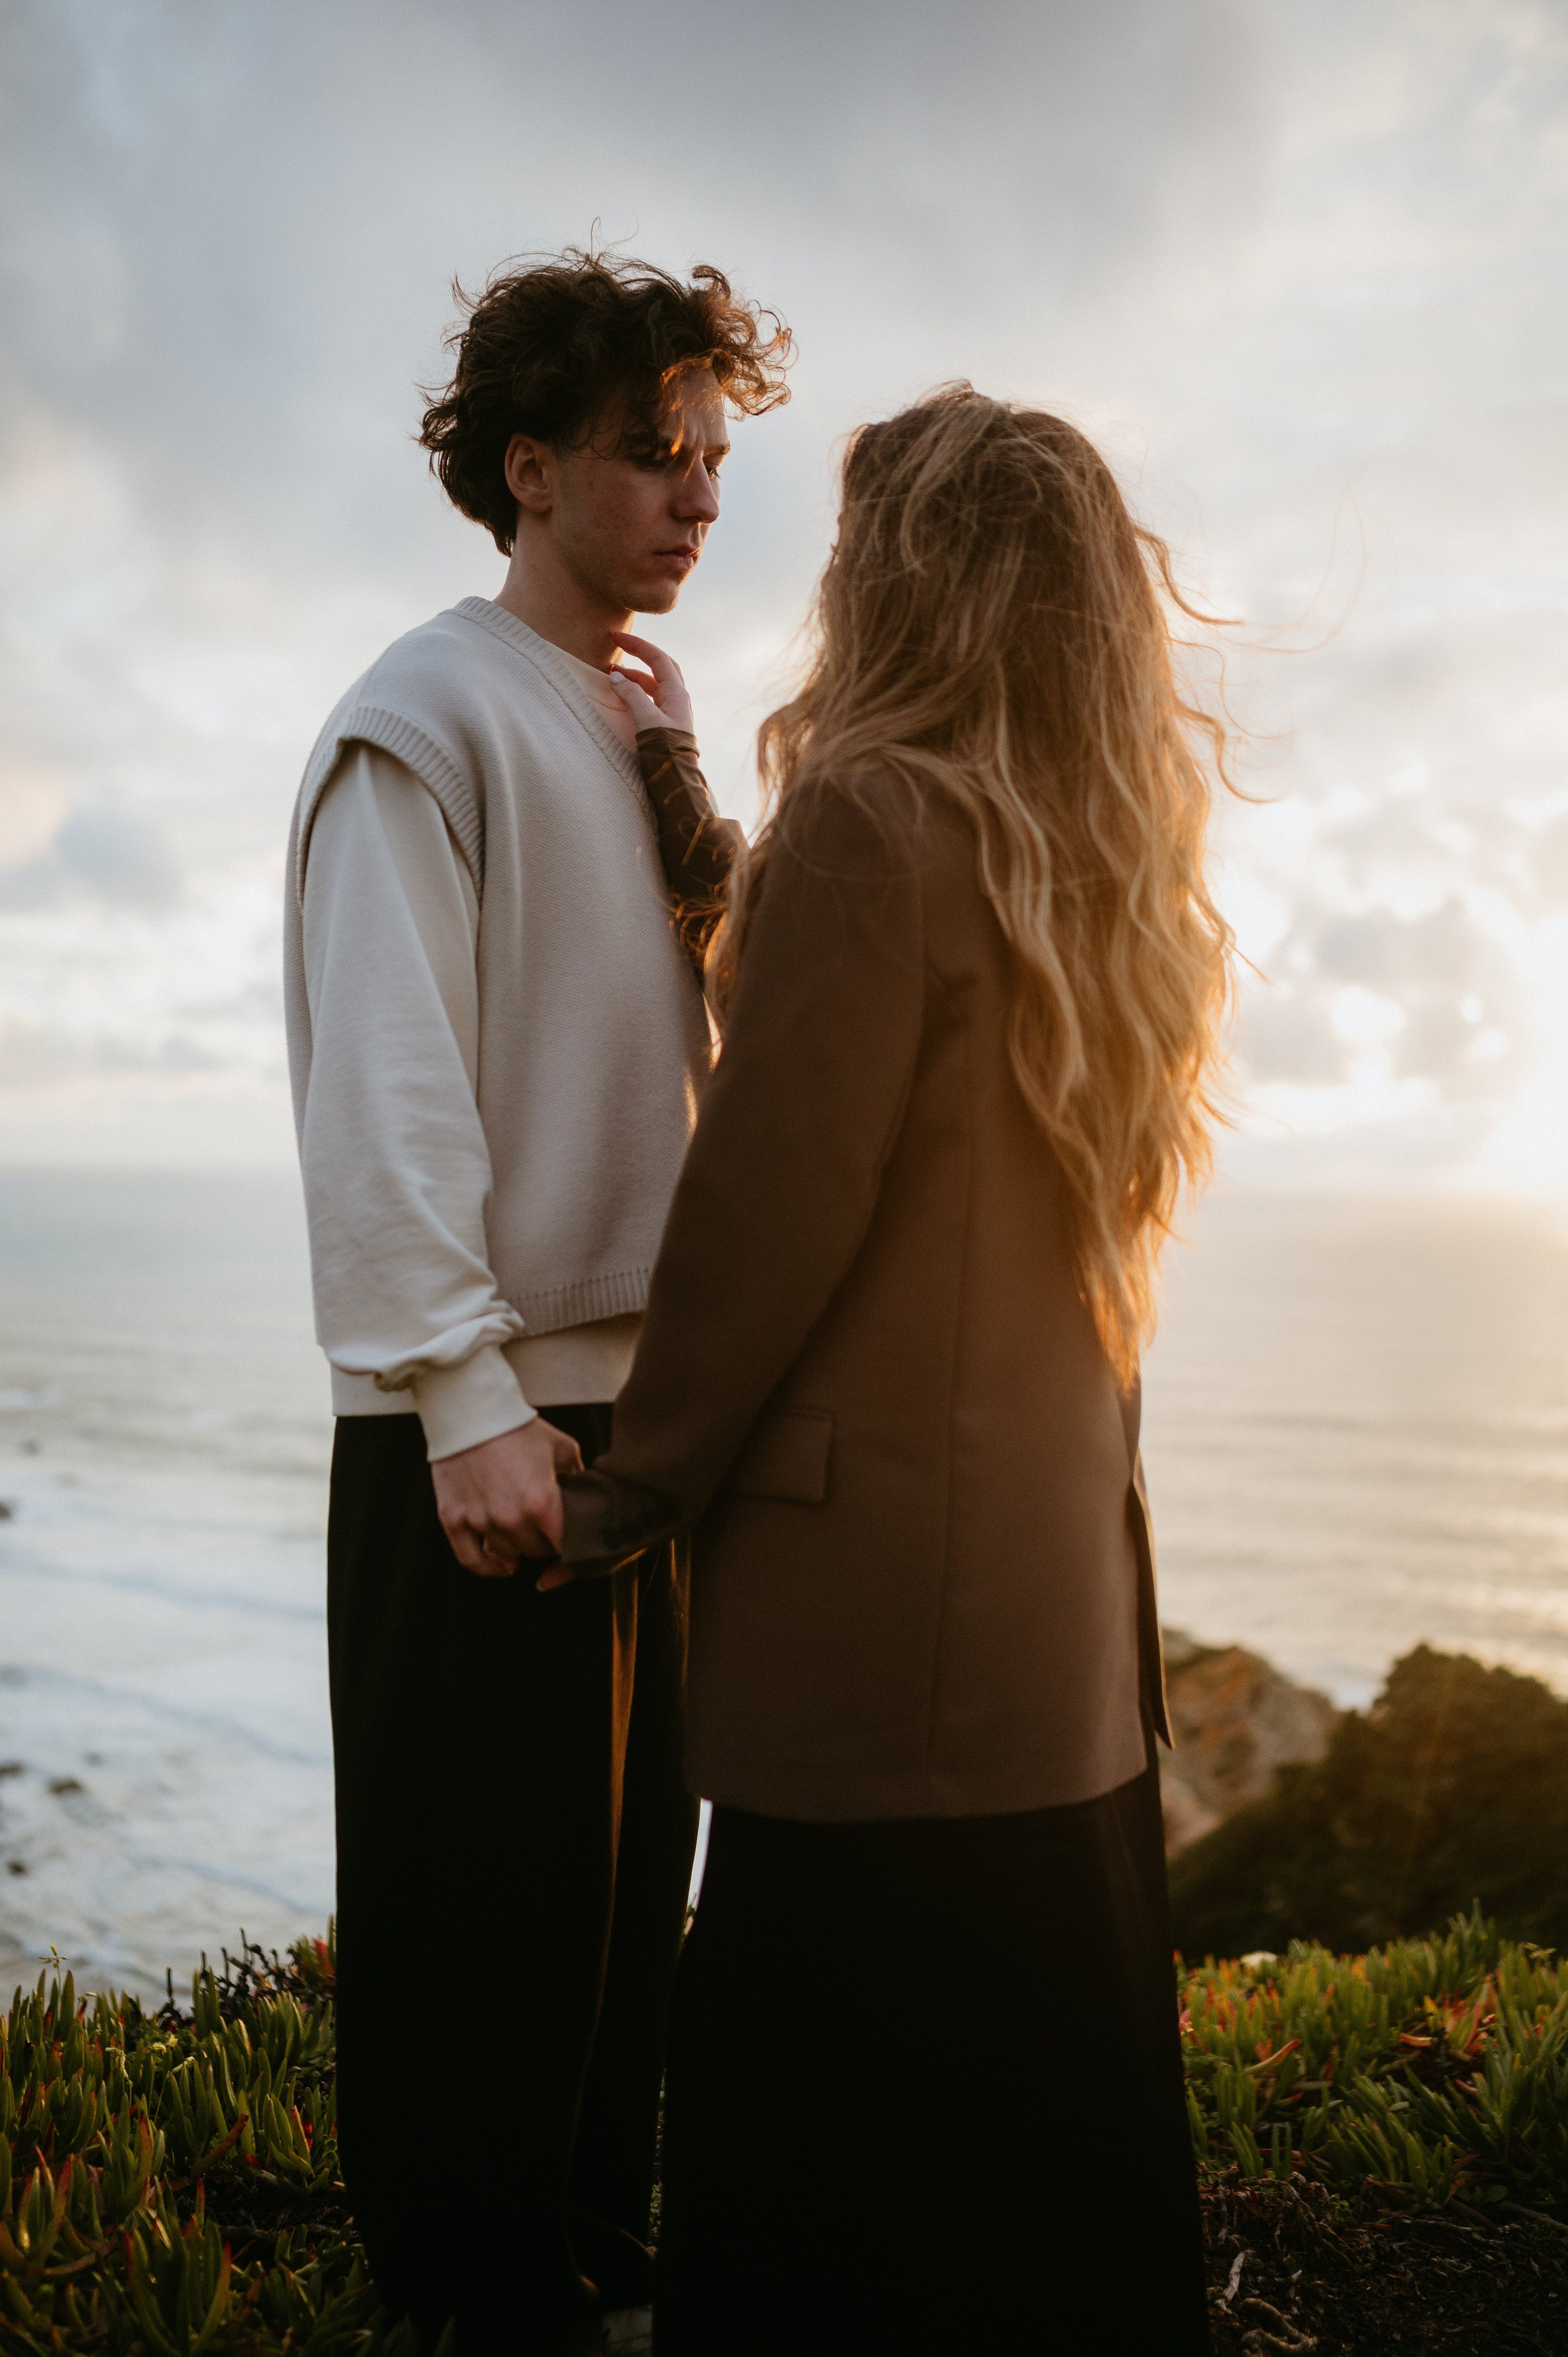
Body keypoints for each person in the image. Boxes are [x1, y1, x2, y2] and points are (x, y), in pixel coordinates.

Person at [546, 387, 1232, 2355]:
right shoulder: (1100, 865)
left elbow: (769, 1220)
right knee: (1046, 2198)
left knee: (827, 2214)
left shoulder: (874, 817)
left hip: (874, 1663)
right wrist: (702, 839)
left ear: (903, 580)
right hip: (1057, 1654)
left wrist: (630, 1486)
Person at [281, 249, 789, 2355]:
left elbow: (718, 1041)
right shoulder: (424, 710)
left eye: (712, 464)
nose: (694, 501)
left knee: (607, 1940)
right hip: (486, 1434)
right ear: (528, 466)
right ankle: (472, 2303)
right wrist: (468, 1383)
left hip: (644, 1427)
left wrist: (695, 828)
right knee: (476, 1929)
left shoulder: (626, 718)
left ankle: (583, 2271)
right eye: (653, 458)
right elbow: (380, 1068)